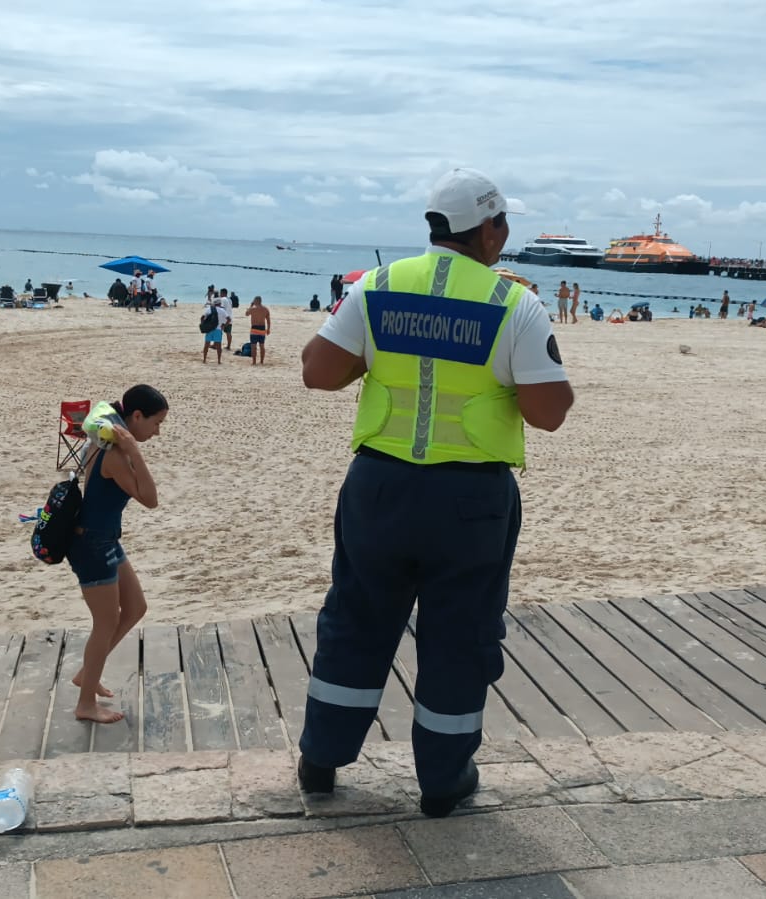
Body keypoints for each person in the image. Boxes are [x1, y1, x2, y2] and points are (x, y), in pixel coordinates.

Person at [296, 168, 573, 818]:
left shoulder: (378, 287)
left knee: (356, 619)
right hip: (468, 500)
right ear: (489, 227)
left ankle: (321, 757)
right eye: (504, 225)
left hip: (379, 488)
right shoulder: (513, 304)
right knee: (458, 634)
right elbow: (549, 412)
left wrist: (381, 358)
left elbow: (317, 372)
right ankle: (442, 780)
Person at [65, 386, 167, 723]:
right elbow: (150, 498)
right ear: (135, 416)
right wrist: (135, 452)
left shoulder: (105, 439)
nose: (157, 431)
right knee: (105, 623)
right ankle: (85, 704)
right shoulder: (113, 454)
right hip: (92, 544)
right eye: (156, 423)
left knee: (136, 608)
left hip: (104, 539)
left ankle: (87, 675)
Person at [245, 296, 271, 365]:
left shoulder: (253, 309)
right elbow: (268, 320)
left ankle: (254, 362)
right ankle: (262, 361)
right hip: (262, 329)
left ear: (256, 301)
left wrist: (251, 305)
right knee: (262, 346)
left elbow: (246, 314)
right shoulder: (265, 309)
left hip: (254, 329)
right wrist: (268, 329)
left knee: (253, 346)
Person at [201, 298, 225, 364]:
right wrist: (224, 325)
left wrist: (203, 325)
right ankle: (219, 361)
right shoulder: (222, 310)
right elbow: (228, 319)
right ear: (220, 304)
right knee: (218, 346)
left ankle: (204, 360)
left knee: (206, 345)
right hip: (218, 329)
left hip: (209, 329)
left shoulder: (209, 309)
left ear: (214, 304)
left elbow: (202, 317)